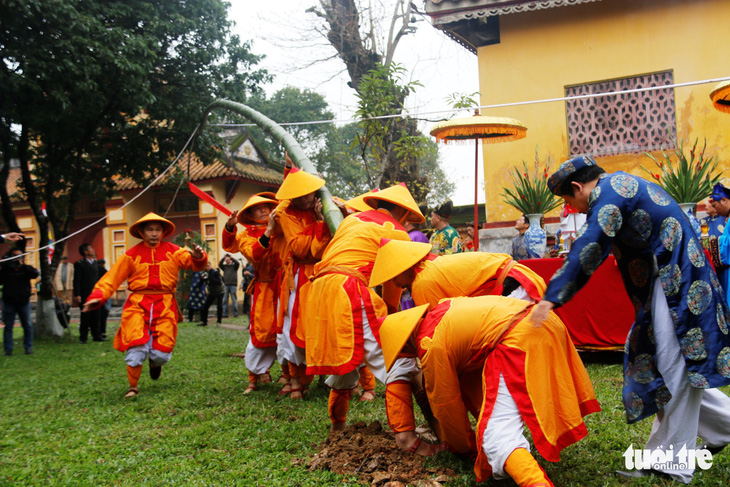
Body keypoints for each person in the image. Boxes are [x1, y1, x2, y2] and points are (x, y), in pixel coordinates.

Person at [531, 156, 730, 483]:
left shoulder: (609, 196)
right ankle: (722, 426)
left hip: (680, 280)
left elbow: (589, 246)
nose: (574, 209)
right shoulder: (616, 187)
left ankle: (674, 462)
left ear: (579, 187)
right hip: (668, 280)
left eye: (569, 201)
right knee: (660, 362)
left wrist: (552, 297)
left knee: (672, 366)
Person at [379, 296, 600, 486]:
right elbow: (471, 374)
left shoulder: (430, 345)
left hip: (519, 337)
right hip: (543, 321)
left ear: (405, 343)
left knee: (497, 438)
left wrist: (463, 447)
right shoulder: (442, 309)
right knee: (502, 415)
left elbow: (446, 405)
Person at [300, 183, 433, 454]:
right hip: (348, 288)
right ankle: (407, 439)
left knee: (346, 361)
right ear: (403, 214)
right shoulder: (396, 232)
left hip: (319, 292)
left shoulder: (351, 222)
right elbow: (396, 281)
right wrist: (394, 317)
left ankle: (337, 428)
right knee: (398, 361)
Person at [82, 212, 206, 398]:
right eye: (150, 230)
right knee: (135, 344)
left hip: (165, 304)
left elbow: (194, 264)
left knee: (162, 352)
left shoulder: (174, 250)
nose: (154, 234)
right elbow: (112, 277)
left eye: (157, 229)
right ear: (141, 231)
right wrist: (98, 296)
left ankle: (155, 363)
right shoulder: (131, 255)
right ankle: (133, 387)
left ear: (163, 232)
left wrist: (197, 256)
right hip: (137, 304)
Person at [275, 166, 333, 399]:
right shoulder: (286, 213)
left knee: (325, 324)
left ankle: (328, 375)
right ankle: (297, 379)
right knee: (295, 329)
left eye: (309, 192)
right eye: (299, 194)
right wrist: (320, 225)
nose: (306, 198)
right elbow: (299, 248)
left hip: (326, 273)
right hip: (299, 277)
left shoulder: (328, 204)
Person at [369, 238, 546, 306]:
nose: (396, 285)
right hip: (513, 282)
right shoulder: (428, 266)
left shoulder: (423, 282)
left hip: (516, 287)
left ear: (406, 267)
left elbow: (436, 327)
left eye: (394, 277)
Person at [223, 194, 280, 394]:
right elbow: (253, 254)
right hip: (264, 289)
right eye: (258, 208)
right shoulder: (247, 236)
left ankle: (290, 376)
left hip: (288, 287)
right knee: (261, 333)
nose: (264, 210)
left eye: (267, 206)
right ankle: (255, 375)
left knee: (288, 331)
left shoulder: (284, 227)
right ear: (250, 214)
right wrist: (270, 230)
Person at [1, 249, 39, 355]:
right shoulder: (6, 270)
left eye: (20, 256)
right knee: (8, 326)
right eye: (15, 256)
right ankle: (8, 349)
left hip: (24, 302)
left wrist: (22, 265)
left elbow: (35, 274)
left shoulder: (26, 269)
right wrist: (5, 265)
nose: (17, 258)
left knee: (27, 325)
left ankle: (28, 347)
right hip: (9, 302)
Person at [73, 243, 103, 343]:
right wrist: (77, 294)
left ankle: (96, 336)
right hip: (84, 293)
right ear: (85, 252)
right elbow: (76, 280)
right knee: (85, 316)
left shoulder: (95, 263)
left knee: (96, 315)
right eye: (90, 248)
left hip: (95, 293)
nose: (93, 250)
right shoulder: (80, 264)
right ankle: (83, 337)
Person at [198, 261, 224, 327]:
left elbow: (218, 282)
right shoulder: (205, 273)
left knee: (219, 306)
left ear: (210, 266)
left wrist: (210, 277)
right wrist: (202, 278)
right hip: (212, 292)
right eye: (205, 266)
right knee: (206, 306)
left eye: (208, 266)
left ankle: (219, 321)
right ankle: (204, 321)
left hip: (220, 291)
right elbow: (200, 284)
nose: (207, 268)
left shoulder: (215, 272)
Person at [219, 254, 240, 318]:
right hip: (226, 284)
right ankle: (225, 313)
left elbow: (237, 263)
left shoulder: (234, 266)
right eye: (227, 259)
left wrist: (231, 257)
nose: (228, 260)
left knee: (234, 299)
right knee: (225, 300)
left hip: (233, 284)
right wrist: (223, 258)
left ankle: (235, 313)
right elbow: (220, 264)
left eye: (229, 259)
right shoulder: (224, 267)